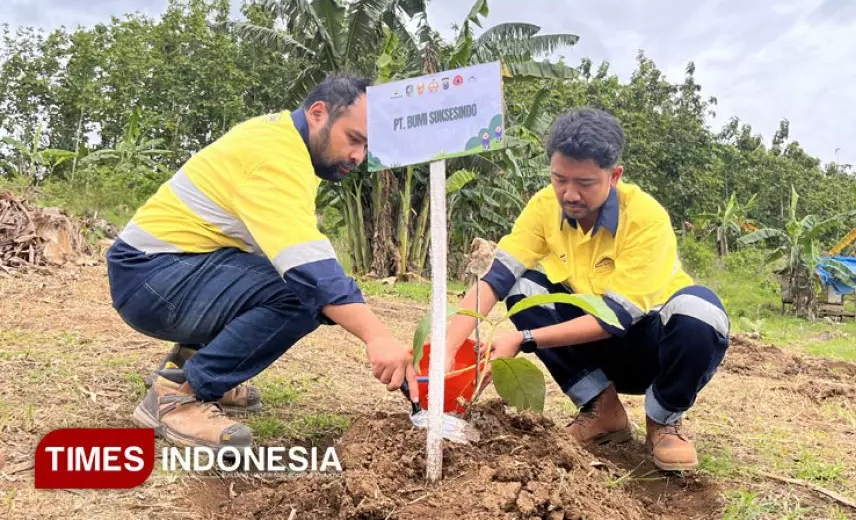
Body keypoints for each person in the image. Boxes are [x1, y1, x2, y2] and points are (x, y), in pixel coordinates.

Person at [107, 74, 419, 450]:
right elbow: (312, 272)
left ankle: (186, 367)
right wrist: (378, 337)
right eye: (354, 139)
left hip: (166, 269)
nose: (359, 156)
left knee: (281, 279)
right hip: (152, 278)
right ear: (318, 113)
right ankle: (179, 398)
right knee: (300, 294)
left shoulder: (283, 140)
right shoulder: (276, 156)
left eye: (367, 146)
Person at [445, 108, 729, 471]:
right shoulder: (544, 205)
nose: (569, 193)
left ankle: (663, 420)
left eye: (585, 183)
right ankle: (602, 410)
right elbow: (497, 277)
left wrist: (523, 340)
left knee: (701, 313)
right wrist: (448, 348)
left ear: (614, 176)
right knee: (523, 285)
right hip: (589, 345)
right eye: (559, 179)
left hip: (652, 345)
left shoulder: (646, 218)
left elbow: (617, 318)